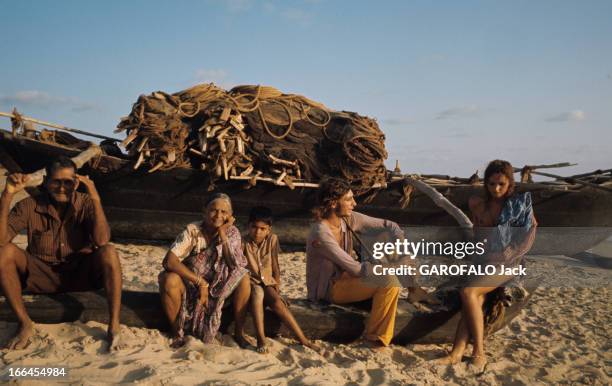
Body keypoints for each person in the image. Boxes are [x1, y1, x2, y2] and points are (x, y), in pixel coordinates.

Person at [0, 156, 123, 351]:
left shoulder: (85, 202)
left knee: (109, 251)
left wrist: (95, 197)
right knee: (4, 252)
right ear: (46, 182)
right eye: (56, 181)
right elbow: (1, 240)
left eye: (68, 182)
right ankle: (24, 323)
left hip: (79, 275)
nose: (62, 188)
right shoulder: (29, 205)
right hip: (40, 277)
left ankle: (114, 325)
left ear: (76, 183)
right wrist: (7, 194)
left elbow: (101, 240)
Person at [438, 160, 538, 372]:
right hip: (483, 262)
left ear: (510, 182)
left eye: (501, 184)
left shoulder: (518, 204)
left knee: (469, 292)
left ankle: (479, 352)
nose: (496, 189)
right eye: (492, 184)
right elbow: (477, 232)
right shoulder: (478, 203)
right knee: (474, 299)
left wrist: (514, 251)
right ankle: (456, 353)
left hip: (508, 264)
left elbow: (531, 230)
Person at [306, 177, 405, 349]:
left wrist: (399, 246)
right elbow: (356, 269)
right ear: (333, 203)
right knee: (390, 281)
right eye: (348, 199)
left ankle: (376, 332)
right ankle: (375, 339)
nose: (354, 203)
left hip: (348, 280)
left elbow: (390, 225)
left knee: (389, 279)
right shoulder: (320, 233)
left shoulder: (348, 219)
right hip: (329, 290)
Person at [159, 193, 251, 347]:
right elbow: (169, 261)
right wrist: (201, 283)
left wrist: (222, 233)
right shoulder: (193, 230)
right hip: (191, 286)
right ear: (204, 211)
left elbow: (233, 265)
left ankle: (239, 333)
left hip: (219, 288)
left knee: (244, 277)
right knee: (168, 279)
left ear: (230, 216)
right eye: (213, 210)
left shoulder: (232, 233)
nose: (218, 215)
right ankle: (177, 333)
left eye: (224, 212)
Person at [243, 206, 319, 353]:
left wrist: (277, 290)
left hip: (268, 282)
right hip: (252, 282)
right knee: (258, 295)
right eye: (254, 227)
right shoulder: (243, 242)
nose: (257, 232)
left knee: (278, 302)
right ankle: (260, 338)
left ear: (269, 229)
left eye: (262, 228)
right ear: (249, 226)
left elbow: (275, 266)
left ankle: (303, 340)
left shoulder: (273, 239)